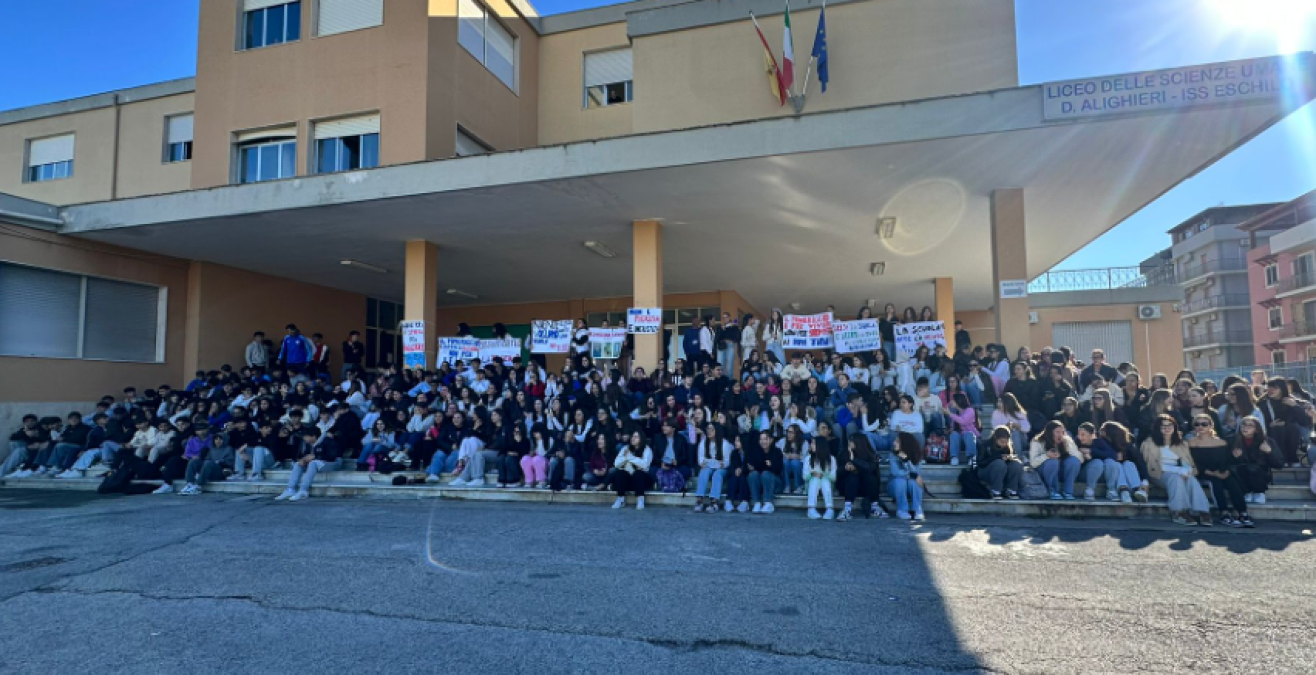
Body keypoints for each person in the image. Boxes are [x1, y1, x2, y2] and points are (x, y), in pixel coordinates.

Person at [1139, 414, 1211, 526]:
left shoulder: (1181, 443)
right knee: (1175, 478)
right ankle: (1179, 512)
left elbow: (1187, 462)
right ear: (1158, 428)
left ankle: (1202, 510)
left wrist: (1187, 470)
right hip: (1158, 474)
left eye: (1170, 426)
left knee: (1191, 479)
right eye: (1163, 426)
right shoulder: (1149, 443)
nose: (1167, 429)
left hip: (1179, 472)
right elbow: (1151, 466)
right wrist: (1178, 470)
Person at [1187, 413, 1249, 527]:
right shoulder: (1191, 443)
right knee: (1215, 482)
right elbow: (1192, 462)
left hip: (1220, 470)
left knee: (1232, 481)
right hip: (1203, 473)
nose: (1200, 427)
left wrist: (1226, 471)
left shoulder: (1222, 442)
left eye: (1204, 424)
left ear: (1211, 426)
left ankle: (1242, 512)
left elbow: (1227, 460)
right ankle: (1224, 512)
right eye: (1197, 424)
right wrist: (1211, 473)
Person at [276, 428, 341, 502]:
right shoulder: (308, 444)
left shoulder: (327, 440)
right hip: (318, 463)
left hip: (333, 463)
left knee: (313, 463)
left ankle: (303, 490)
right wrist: (303, 459)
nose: (304, 438)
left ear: (313, 436)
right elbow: (306, 455)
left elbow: (332, 456)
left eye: (305, 436)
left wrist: (315, 457)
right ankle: (290, 489)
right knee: (298, 464)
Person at [1231, 416, 1279, 506]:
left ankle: (1259, 492)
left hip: (1261, 475)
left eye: (1250, 425)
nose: (1246, 427)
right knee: (1236, 469)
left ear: (1256, 429)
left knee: (1253, 468)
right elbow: (1228, 462)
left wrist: (1269, 452)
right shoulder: (1233, 441)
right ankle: (1247, 492)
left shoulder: (1267, 441)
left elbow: (1278, 464)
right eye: (1243, 425)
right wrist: (1234, 457)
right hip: (1243, 475)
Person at [1028, 420, 1081, 500]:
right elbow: (1033, 463)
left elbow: (1080, 458)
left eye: (1062, 432)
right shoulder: (1037, 441)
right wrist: (1046, 455)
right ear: (1050, 432)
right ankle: (1053, 490)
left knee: (1073, 461)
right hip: (1045, 471)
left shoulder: (1067, 440)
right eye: (1057, 432)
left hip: (1061, 471)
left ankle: (1068, 492)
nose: (1061, 435)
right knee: (1052, 462)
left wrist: (1068, 449)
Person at [837, 435, 884, 520]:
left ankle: (875, 506)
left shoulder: (871, 455)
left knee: (870, 477)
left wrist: (854, 461)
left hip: (866, 487)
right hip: (848, 487)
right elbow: (837, 472)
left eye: (851, 441)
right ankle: (847, 509)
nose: (849, 443)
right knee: (852, 476)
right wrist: (845, 468)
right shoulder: (844, 453)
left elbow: (871, 468)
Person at [976, 426, 1024, 500]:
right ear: (996, 439)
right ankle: (995, 490)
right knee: (999, 463)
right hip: (986, 471)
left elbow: (1013, 459)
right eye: (1002, 442)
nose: (1004, 444)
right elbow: (980, 463)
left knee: (1016, 464)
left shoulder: (1009, 446)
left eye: (1006, 442)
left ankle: (1011, 489)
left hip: (1002, 471)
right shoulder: (985, 445)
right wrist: (997, 457)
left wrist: (1010, 458)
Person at [693, 423, 731, 512]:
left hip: (721, 468)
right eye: (708, 429)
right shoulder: (703, 443)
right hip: (708, 466)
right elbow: (700, 459)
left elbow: (727, 461)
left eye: (712, 430)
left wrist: (722, 464)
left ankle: (714, 501)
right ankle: (699, 500)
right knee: (704, 472)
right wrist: (703, 463)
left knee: (717, 474)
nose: (709, 432)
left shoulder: (724, 444)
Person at [888, 432, 925, 521]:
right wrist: (911, 475)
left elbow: (916, 471)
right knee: (900, 480)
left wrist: (906, 460)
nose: (894, 443)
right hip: (895, 486)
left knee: (914, 481)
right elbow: (895, 472)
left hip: (909, 485)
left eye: (897, 441)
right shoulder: (892, 455)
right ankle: (902, 509)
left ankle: (917, 509)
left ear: (904, 443)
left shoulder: (916, 455)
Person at [611, 431, 652, 510]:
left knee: (639, 473)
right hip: (628, 479)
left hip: (642, 480)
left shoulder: (647, 449)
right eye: (632, 436)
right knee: (620, 473)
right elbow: (616, 463)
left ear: (641, 439)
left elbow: (644, 465)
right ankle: (620, 499)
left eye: (636, 437)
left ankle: (640, 499)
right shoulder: (626, 448)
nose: (633, 438)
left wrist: (629, 457)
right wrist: (627, 458)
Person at [804, 426, 838, 520]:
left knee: (824, 480)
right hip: (811, 485)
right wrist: (812, 474)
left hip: (828, 484)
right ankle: (811, 508)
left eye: (813, 444)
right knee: (815, 479)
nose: (811, 445)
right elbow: (804, 476)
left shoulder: (831, 459)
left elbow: (834, 477)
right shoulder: (808, 459)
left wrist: (824, 474)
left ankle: (829, 508)